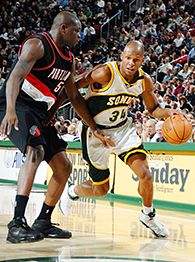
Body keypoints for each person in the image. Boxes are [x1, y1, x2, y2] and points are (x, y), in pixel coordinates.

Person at [0, 11, 113, 244]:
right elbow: (14, 78)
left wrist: (93, 127)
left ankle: (43, 221)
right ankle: (17, 223)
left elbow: (73, 97)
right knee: (36, 150)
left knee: (64, 166)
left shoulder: (69, 58)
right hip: (17, 104)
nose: (79, 36)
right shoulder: (37, 45)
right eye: (76, 31)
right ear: (63, 28)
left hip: (39, 111)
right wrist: (10, 110)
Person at [67, 40, 181, 238]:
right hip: (95, 133)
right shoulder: (105, 72)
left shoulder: (144, 81)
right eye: (128, 58)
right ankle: (73, 191)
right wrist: (92, 127)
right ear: (121, 56)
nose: (131, 63)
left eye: (136, 59)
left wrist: (171, 112)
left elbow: (153, 110)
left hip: (122, 130)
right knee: (101, 190)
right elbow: (72, 89)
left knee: (145, 173)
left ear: (142, 61)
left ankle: (148, 214)